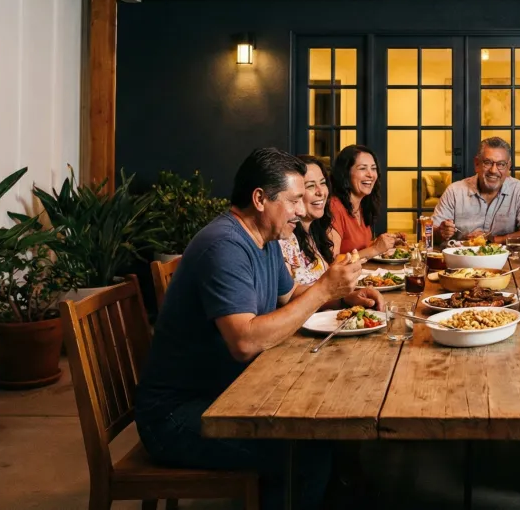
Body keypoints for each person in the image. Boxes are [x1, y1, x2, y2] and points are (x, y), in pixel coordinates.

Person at [135, 148, 385, 510]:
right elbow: (245, 341)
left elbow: (290, 296)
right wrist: (324, 289)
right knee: (306, 454)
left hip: (226, 394)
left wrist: (344, 299)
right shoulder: (225, 246)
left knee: (330, 433)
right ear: (260, 199)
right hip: (178, 416)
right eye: (294, 200)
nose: (302, 210)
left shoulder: (266, 239)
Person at [432, 137, 520, 245]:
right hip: (461, 260)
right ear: (476, 164)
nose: (493, 170)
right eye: (488, 162)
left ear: (508, 166)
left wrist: (492, 239)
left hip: (505, 260)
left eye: (501, 164)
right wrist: (440, 232)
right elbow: (430, 232)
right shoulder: (454, 191)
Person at [328, 144, 402, 258]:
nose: (371, 175)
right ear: (345, 173)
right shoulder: (334, 207)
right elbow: (332, 260)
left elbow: (357, 248)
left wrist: (384, 244)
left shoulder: (362, 205)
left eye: (373, 168)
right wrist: (375, 249)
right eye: (362, 168)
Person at [279, 155, 341, 287]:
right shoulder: (285, 238)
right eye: (311, 186)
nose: (321, 192)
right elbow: (287, 297)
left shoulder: (315, 231)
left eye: (323, 183)